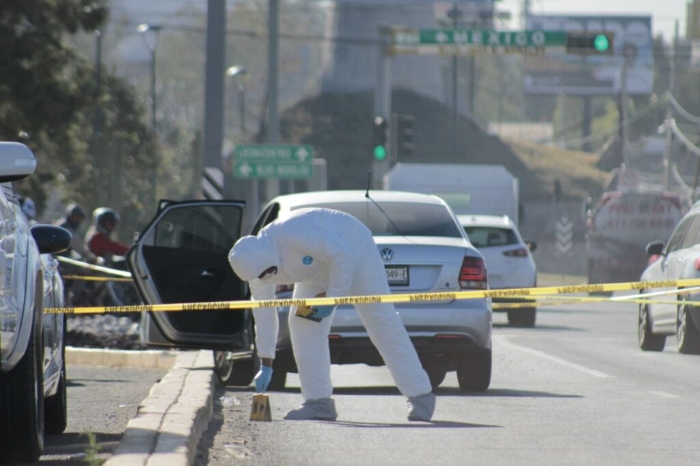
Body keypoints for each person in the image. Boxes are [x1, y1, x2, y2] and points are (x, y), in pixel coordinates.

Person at [228, 208, 436, 422]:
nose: (267, 279)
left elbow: (341, 256)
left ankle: (420, 395)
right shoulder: (255, 270)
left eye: (268, 273)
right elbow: (264, 313)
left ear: (269, 256)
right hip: (315, 271)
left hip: (354, 250)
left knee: (381, 321)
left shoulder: (293, 232)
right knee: (301, 324)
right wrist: (265, 363)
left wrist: (332, 298)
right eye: (260, 277)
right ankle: (318, 402)